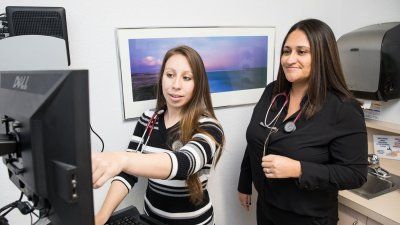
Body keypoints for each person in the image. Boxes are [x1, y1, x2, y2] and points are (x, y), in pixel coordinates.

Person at [237, 19, 368, 225]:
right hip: (267, 209)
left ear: (322, 56)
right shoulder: (272, 92)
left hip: (308, 218)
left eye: (301, 52)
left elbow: (355, 174)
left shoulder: (344, 108)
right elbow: (257, 139)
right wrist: (245, 183)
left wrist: (299, 169)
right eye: (287, 51)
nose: (290, 59)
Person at [92, 45, 224, 225]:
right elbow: (127, 174)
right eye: (170, 75)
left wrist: (122, 159)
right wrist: (101, 217)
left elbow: (185, 163)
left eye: (186, 78)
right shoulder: (148, 119)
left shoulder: (209, 126)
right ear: (161, 78)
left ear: (198, 84)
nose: (175, 85)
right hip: (151, 220)